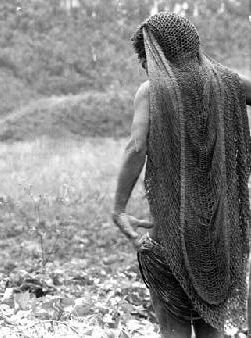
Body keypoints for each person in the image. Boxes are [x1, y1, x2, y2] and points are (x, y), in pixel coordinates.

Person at [112, 12, 251, 338]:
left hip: (171, 237)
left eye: (146, 55)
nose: (145, 65)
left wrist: (119, 207)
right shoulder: (229, 83)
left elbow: (136, 148)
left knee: (172, 326)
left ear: (161, 53)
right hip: (222, 237)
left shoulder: (151, 92)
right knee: (211, 326)